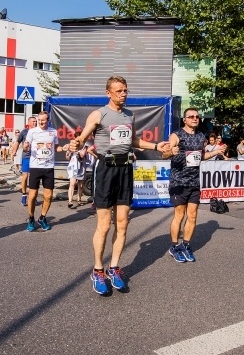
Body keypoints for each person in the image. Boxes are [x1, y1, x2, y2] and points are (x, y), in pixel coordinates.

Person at [68, 76, 169, 295]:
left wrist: (156, 146)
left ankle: (114, 268)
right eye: (119, 91)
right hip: (106, 169)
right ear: (108, 93)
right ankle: (98, 270)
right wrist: (75, 143)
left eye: (125, 90)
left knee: (123, 224)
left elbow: (133, 141)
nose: (123, 94)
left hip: (125, 169)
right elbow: (82, 138)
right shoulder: (99, 114)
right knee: (104, 225)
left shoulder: (130, 115)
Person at [163, 107, 226, 261]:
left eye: (197, 116)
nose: (195, 118)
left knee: (192, 216)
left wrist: (216, 152)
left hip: (195, 182)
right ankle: (174, 246)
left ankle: (186, 245)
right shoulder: (177, 135)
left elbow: (201, 156)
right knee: (179, 215)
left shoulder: (200, 136)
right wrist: (171, 152)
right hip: (179, 182)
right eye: (191, 116)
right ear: (184, 120)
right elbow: (164, 154)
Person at [23, 111, 59, 231]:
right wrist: (25, 147)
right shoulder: (32, 131)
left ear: (48, 120)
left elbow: (57, 147)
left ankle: (42, 218)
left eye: (43, 120)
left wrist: (64, 148)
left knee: (48, 196)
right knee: (32, 196)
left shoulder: (53, 132)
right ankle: (31, 218)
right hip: (35, 167)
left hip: (49, 167)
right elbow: (25, 146)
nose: (40, 122)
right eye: (39, 120)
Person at [11, 116, 37, 206]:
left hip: (36, 157)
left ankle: (33, 196)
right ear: (29, 123)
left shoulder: (38, 132)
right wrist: (14, 151)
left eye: (36, 121)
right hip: (26, 157)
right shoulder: (24, 132)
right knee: (25, 176)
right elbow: (17, 142)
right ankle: (24, 195)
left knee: (34, 177)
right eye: (33, 121)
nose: (35, 123)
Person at [66, 141, 90, 208]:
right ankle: (70, 201)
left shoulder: (85, 146)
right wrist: (68, 153)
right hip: (73, 167)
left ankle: (79, 200)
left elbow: (82, 155)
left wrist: (77, 151)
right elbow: (67, 158)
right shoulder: (72, 145)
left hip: (81, 167)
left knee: (81, 185)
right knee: (72, 184)